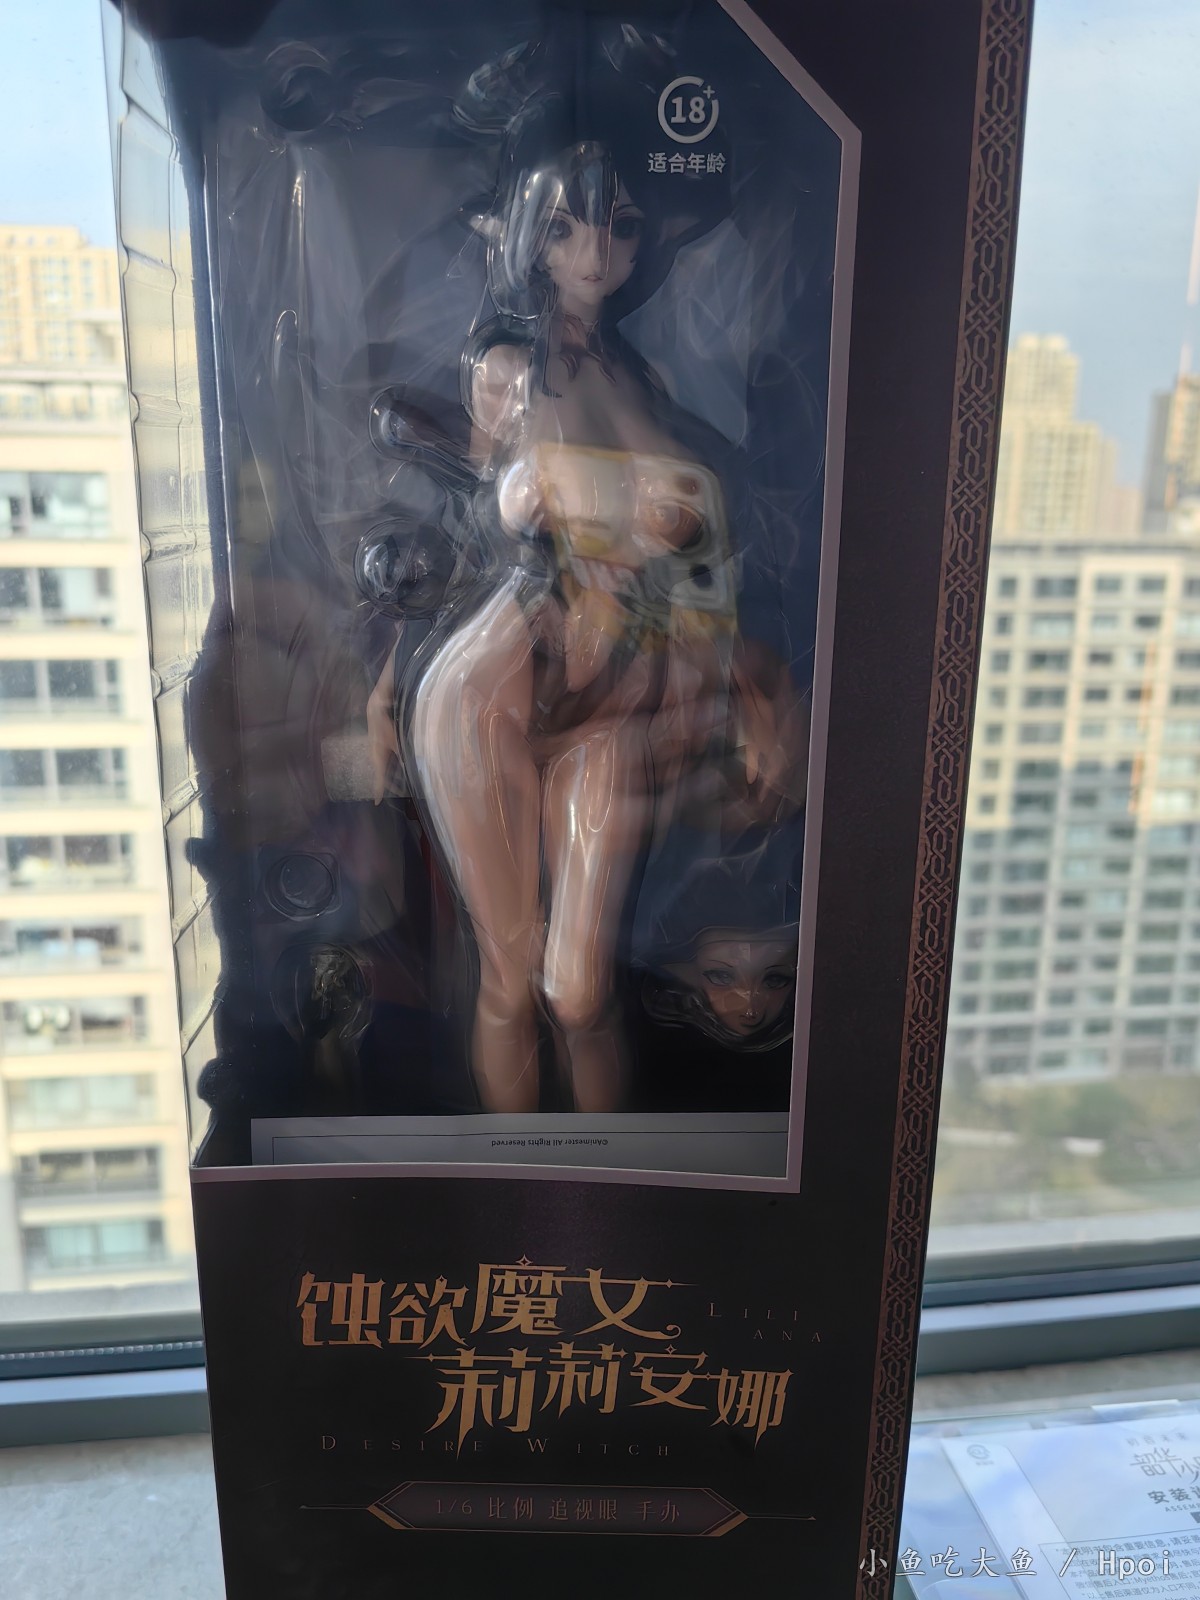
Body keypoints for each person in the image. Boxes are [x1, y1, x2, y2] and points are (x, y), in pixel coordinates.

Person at [367, 87, 808, 1116]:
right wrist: (387, 674)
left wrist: (756, 688)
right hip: (498, 680)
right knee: (509, 976)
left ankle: (617, 1186)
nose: (595, 252)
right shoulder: (507, 369)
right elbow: (485, 509)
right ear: (528, 234)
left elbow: (706, 575)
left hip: (622, 696)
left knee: (580, 988)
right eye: (565, 226)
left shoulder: (645, 379)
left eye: (619, 224)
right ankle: (513, 1185)